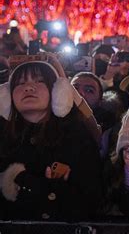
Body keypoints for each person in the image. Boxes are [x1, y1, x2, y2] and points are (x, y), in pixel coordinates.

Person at [0, 61, 102, 220]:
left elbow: (91, 198)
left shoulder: (77, 137)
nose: (28, 87)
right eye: (20, 83)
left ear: (57, 92)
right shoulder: (3, 137)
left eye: (39, 81)